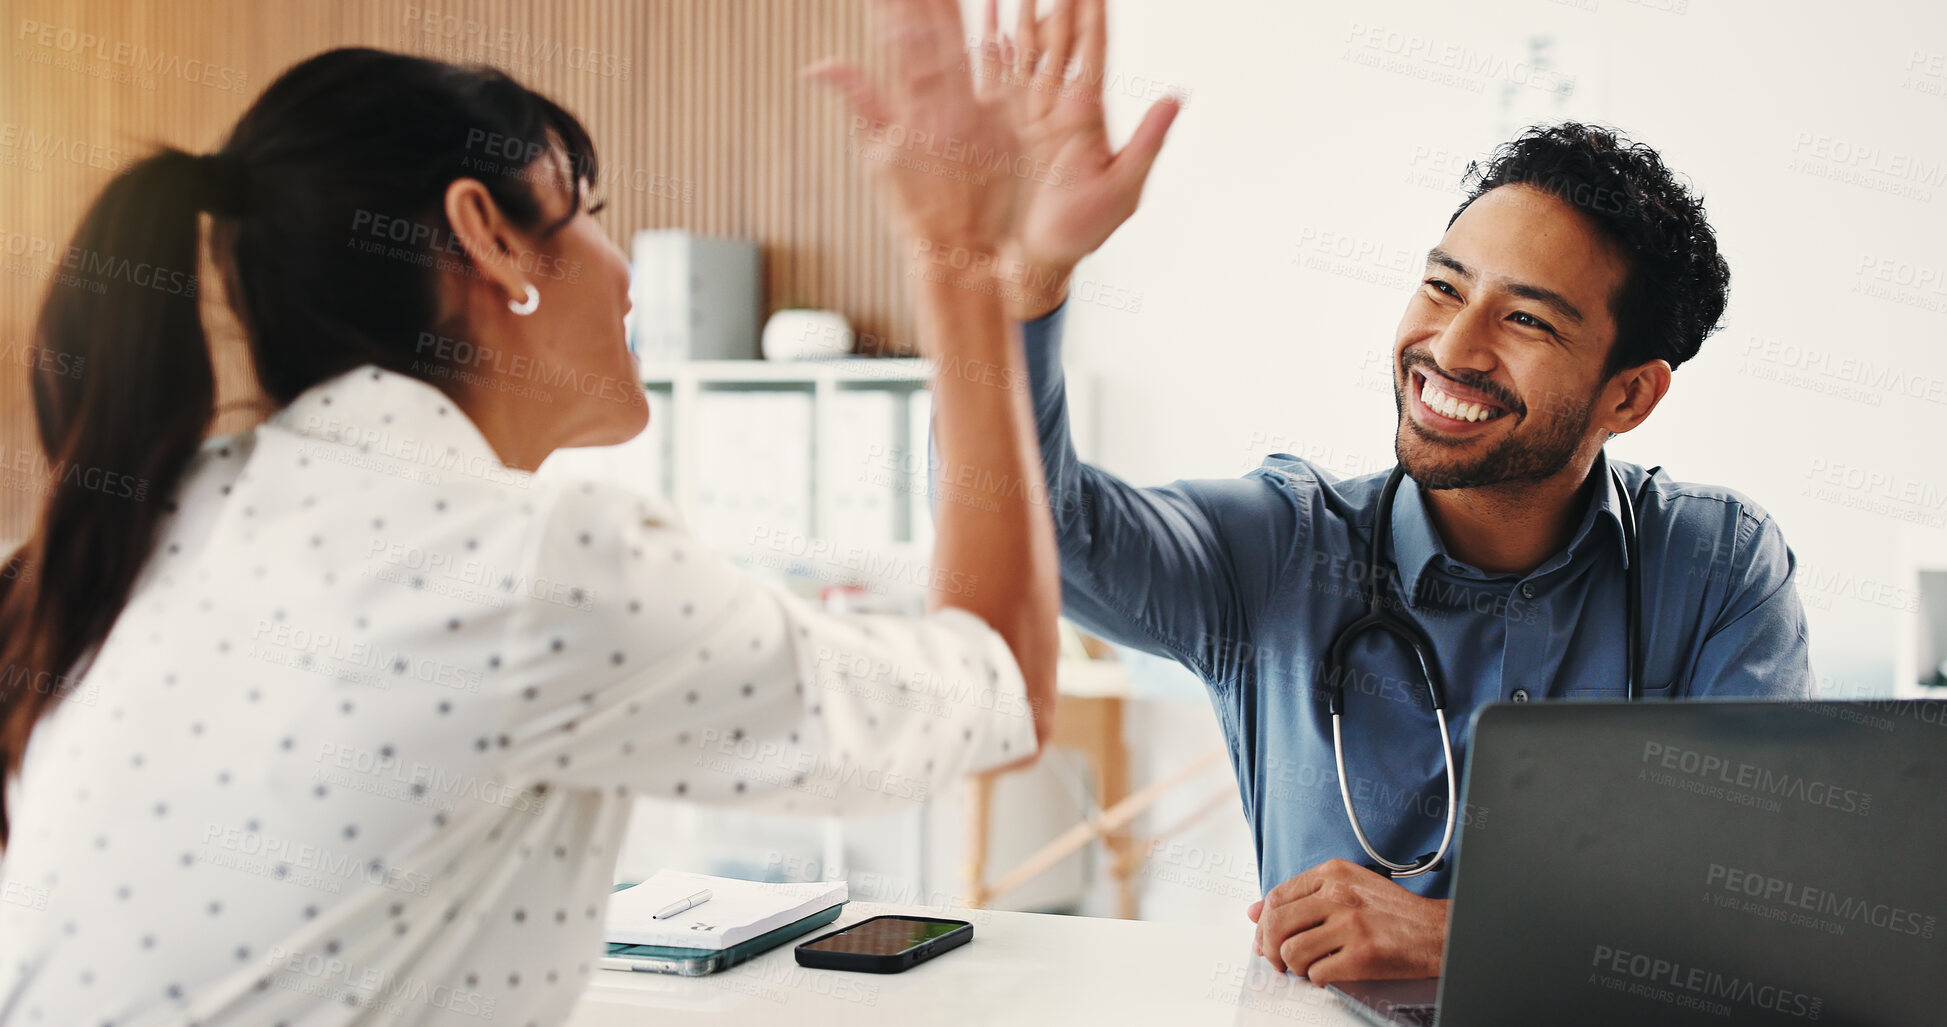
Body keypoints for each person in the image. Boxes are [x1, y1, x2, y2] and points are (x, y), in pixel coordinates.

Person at [0, 6, 1057, 1022]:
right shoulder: (541, 566)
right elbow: (1000, 687)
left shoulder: (158, 519)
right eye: (588, 211)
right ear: (486, 236)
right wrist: (958, 259)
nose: (624, 266)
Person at [949, 0, 1813, 986]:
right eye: (1444, 287)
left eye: (1525, 319)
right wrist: (1028, 280)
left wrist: (1461, 938)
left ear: (1630, 393)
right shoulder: (1279, 551)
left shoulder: (1714, 568)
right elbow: (1019, 525)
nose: (1451, 348)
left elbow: (1766, 914)